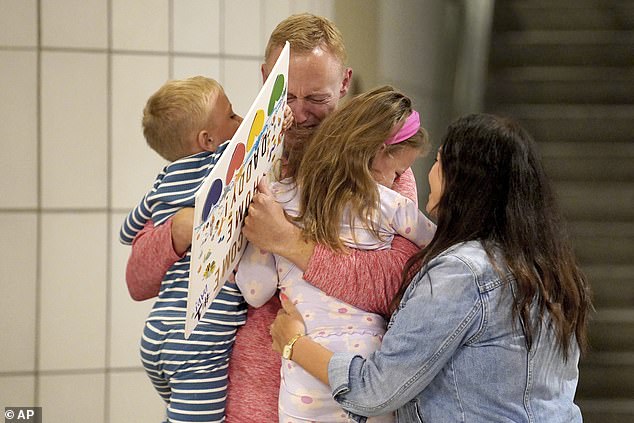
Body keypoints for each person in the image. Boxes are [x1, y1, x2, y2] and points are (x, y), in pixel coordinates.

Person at [124, 14, 421, 422]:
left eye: (317, 99)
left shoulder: (381, 163)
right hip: (235, 404)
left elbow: (396, 288)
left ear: (345, 83)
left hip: (334, 401)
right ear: (266, 77)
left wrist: (287, 241)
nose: (299, 115)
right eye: (287, 96)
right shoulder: (232, 154)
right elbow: (137, 280)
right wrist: (181, 227)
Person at [270, 113, 593, 423]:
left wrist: (293, 343)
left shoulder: (462, 274)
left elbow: (376, 391)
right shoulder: (554, 272)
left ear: (464, 182)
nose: (429, 172)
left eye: (439, 162)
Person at [236, 86, 435, 422]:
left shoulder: (279, 200)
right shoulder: (389, 204)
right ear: (377, 153)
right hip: (366, 368)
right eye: (397, 171)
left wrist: (260, 242)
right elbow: (439, 245)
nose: (396, 181)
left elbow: (255, 293)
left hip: (303, 375)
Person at [119, 75, 290, 422]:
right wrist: (279, 123)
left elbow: (128, 231)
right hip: (200, 341)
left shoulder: (163, 181)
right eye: (231, 116)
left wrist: (171, 223)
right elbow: (258, 144)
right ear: (208, 140)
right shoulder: (223, 166)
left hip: (157, 333)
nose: (240, 121)